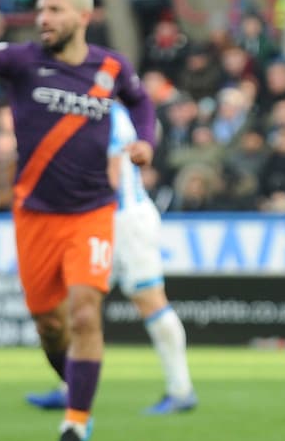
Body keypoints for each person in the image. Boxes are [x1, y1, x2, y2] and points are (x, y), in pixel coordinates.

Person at [0, 0, 156, 441]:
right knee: (50, 327)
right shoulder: (24, 61)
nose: (42, 19)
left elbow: (141, 102)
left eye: (53, 10)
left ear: (82, 16)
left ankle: (75, 422)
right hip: (34, 216)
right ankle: (70, 381)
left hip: (92, 211)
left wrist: (145, 142)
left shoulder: (111, 67)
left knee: (83, 313)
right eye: (40, 10)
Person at [26, 103, 197, 415]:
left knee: (149, 300)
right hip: (98, 220)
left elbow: (112, 177)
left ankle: (181, 389)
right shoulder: (80, 110)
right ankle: (71, 388)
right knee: (78, 301)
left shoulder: (108, 115)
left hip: (124, 221)